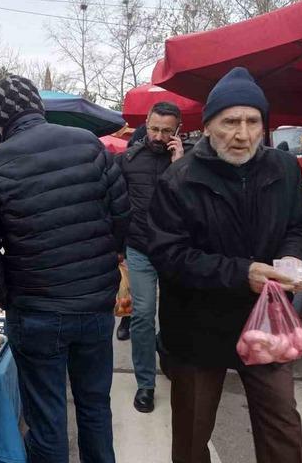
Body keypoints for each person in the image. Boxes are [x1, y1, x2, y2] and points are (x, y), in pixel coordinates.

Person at [147, 67, 302, 463]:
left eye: (253, 121)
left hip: (267, 325)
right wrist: (242, 273)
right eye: (230, 122)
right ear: (207, 127)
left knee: (283, 429)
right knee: (191, 437)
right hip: (197, 327)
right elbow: (168, 256)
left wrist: (295, 257)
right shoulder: (179, 180)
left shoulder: (283, 169)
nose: (242, 134)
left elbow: (301, 226)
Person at [0, 75, 130, 463]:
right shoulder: (88, 144)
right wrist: (104, 265)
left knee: (47, 418)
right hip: (93, 307)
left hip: (36, 313)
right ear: (38, 107)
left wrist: (8, 296)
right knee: (94, 406)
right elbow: (122, 214)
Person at [114, 101, 186, 413]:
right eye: (154, 128)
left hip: (175, 250)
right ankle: (146, 383)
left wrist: (179, 164)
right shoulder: (129, 159)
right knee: (142, 314)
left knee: (175, 313)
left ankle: (168, 353)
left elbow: (191, 204)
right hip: (139, 248)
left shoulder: (188, 160)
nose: (158, 136)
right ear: (147, 123)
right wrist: (118, 249)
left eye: (166, 131)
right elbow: (116, 205)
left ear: (177, 131)